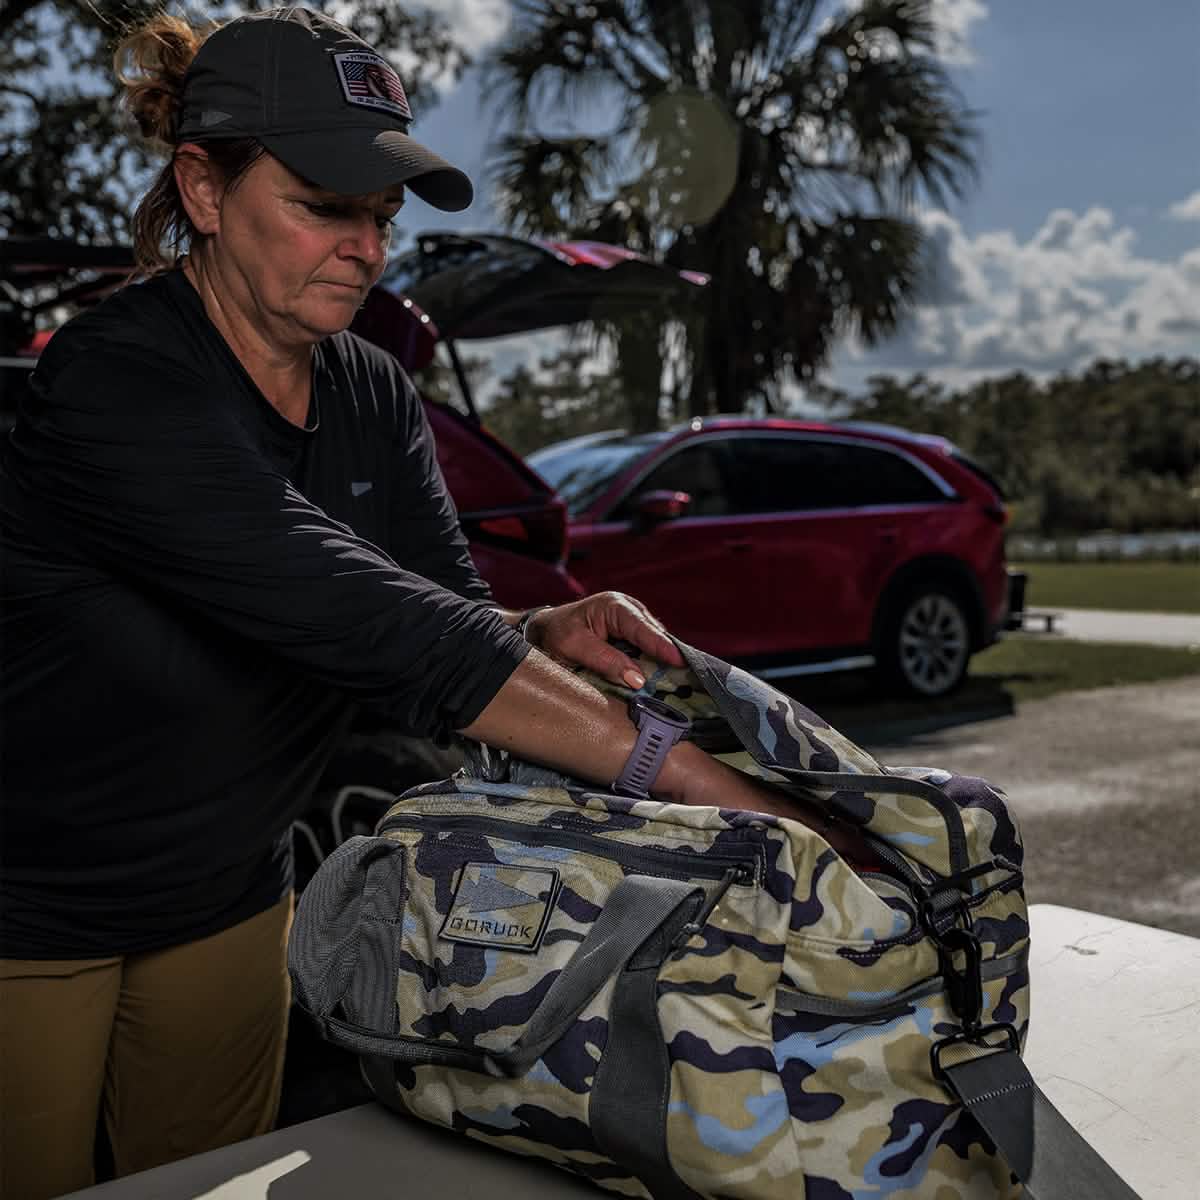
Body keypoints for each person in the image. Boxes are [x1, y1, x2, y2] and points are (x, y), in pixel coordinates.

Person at [0, 9, 851, 1198]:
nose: (367, 246)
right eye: (324, 206)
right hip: (28, 912)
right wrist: (722, 792)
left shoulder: (369, 392)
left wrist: (534, 631)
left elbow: (437, 626)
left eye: (381, 215)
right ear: (202, 188)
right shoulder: (113, 381)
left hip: (229, 900)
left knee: (199, 1184)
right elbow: (365, 617)